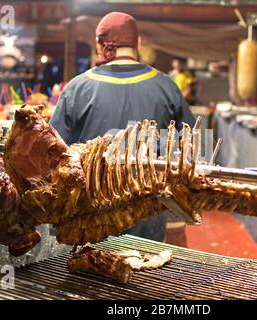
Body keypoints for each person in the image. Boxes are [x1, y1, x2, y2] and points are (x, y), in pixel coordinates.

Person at [50, 12, 195, 242]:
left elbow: (53, 156)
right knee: (142, 272)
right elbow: (191, 149)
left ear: (99, 45)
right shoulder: (167, 87)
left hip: (89, 221)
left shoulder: (77, 88)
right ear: (138, 43)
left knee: (89, 272)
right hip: (147, 219)